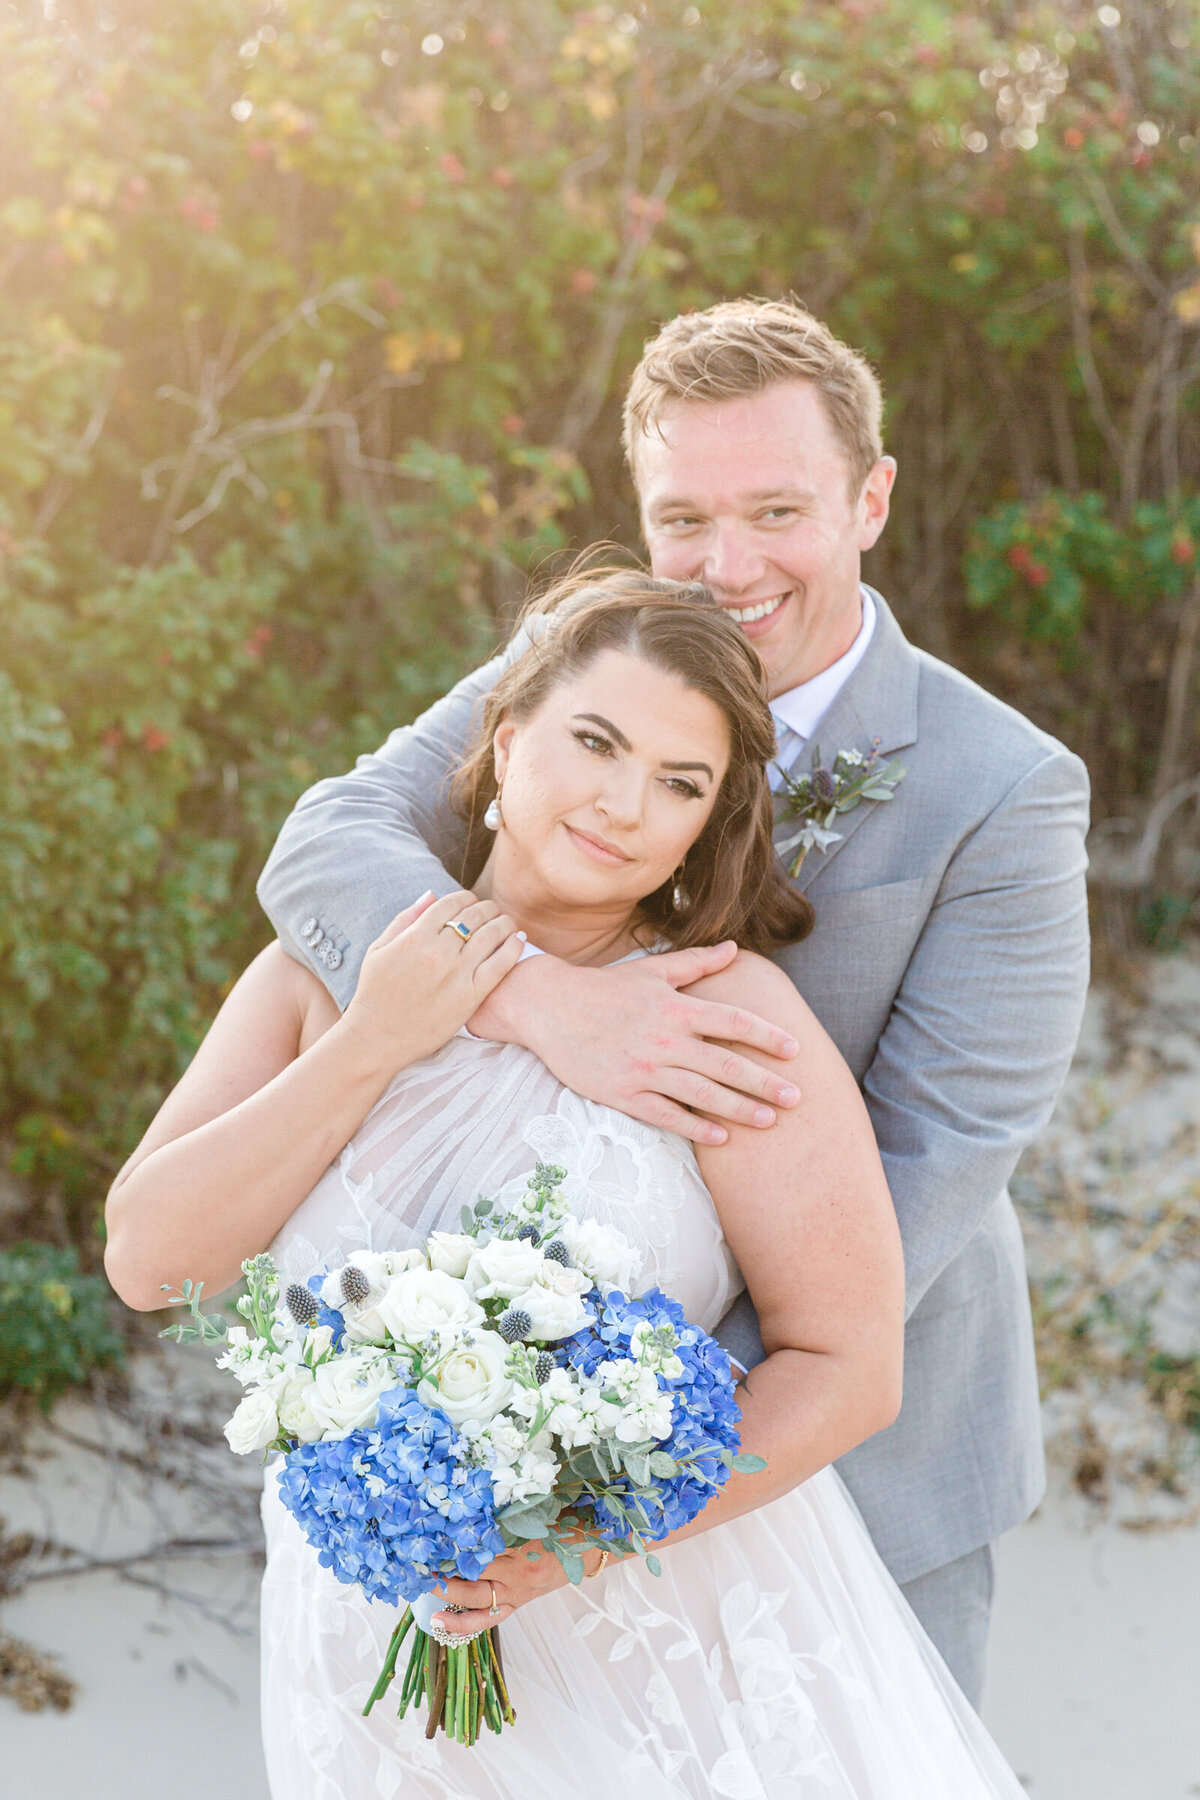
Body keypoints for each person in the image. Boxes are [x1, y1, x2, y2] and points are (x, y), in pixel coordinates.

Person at [256, 297, 1092, 1706]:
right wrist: (534, 1002)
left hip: (846, 1471)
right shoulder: (586, 675)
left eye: (777, 509)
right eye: (684, 518)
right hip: (517, 1449)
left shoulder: (1002, 791)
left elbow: (934, 1169)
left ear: (871, 498)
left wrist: (592, 1431)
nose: (727, 565)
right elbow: (326, 845)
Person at [106, 576, 1031, 1798]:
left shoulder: (722, 1021)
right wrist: (375, 1041)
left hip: (649, 1645)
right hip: (360, 1633)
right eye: (595, 742)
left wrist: (588, 1543)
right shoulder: (322, 977)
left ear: (707, 826)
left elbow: (847, 1367)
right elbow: (151, 1262)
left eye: (680, 783)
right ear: (502, 740)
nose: (623, 804)